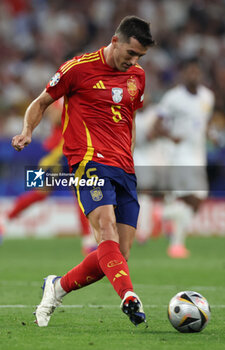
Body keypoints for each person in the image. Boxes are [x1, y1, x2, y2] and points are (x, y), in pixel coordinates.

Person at [12, 16, 154, 327]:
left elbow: (129, 117)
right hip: (88, 162)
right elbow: (41, 102)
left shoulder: (138, 77)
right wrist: (27, 131)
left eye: (140, 57)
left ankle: (57, 287)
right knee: (105, 230)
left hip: (124, 169)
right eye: (130, 54)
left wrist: (130, 155)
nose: (134, 62)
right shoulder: (77, 68)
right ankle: (129, 297)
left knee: (118, 255)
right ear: (115, 41)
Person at [136, 57, 215, 258]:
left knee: (196, 201)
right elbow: (157, 125)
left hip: (199, 154)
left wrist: (210, 134)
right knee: (190, 197)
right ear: (183, 74)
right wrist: (171, 137)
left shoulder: (208, 97)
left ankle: (161, 218)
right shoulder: (173, 98)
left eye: (196, 72)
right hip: (180, 155)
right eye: (190, 71)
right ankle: (175, 243)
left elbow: (203, 123)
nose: (193, 75)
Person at [1, 99, 95, 255]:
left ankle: (88, 239)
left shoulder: (75, 95)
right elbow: (54, 117)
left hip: (69, 150)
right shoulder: (63, 97)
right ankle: (5, 218)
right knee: (42, 192)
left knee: (77, 192)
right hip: (55, 152)